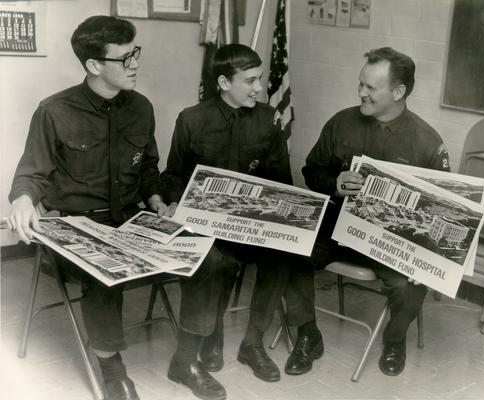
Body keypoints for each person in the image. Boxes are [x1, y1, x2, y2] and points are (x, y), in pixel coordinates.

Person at [7, 16, 173, 400]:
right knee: (101, 274)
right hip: (77, 226)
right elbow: (32, 173)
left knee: (211, 260)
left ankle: (189, 356)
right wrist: (23, 199)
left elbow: (149, 168)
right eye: (125, 58)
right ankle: (113, 372)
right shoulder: (53, 111)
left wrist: (157, 199)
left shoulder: (142, 107)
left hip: (131, 217)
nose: (135, 64)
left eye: (136, 53)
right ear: (94, 66)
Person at [161, 44, 323, 400]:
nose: (260, 87)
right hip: (206, 228)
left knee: (285, 253)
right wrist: (172, 201)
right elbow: (173, 175)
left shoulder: (269, 120)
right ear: (223, 82)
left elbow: (281, 182)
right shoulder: (191, 119)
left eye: (261, 78)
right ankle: (211, 332)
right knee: (216, 261)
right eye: (250, 80)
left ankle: (253, 343)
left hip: (251, 226)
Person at [302, 47, 451, 377]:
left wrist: (424, 257)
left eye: (371, 88)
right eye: (360, 84)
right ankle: (306, 334)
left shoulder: (428, 143)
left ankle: (394, 339)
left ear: (398, 92)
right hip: (339, 227)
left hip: (391, 241)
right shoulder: (341, 122)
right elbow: (312, 170)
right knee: (292, 256)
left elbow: (442, 213)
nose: (360, 93)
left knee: (409, 285)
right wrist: (335, 184)